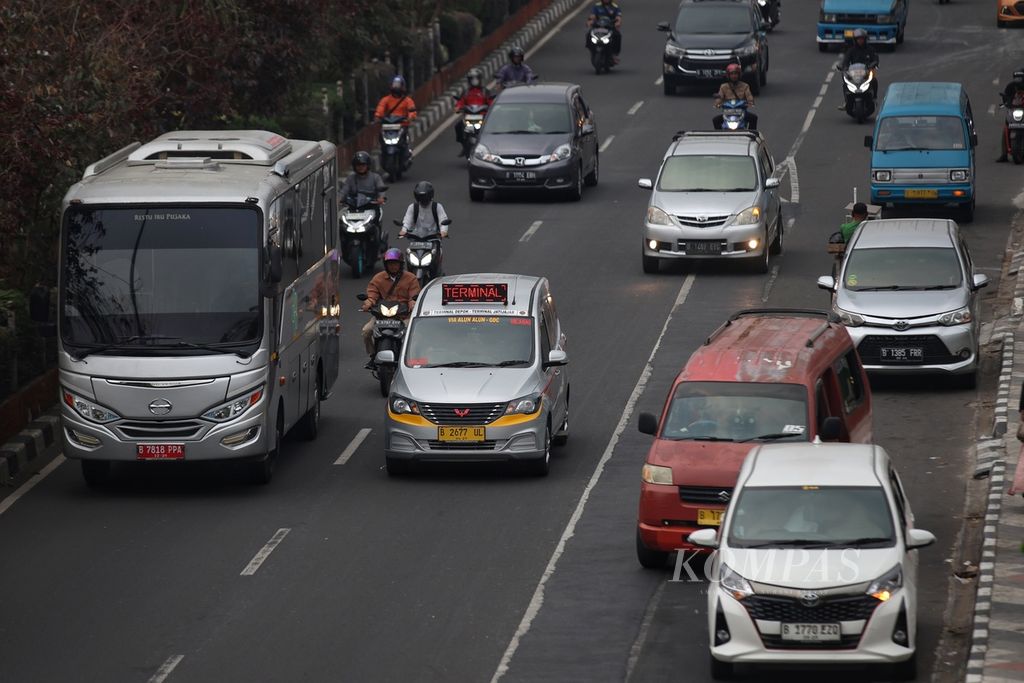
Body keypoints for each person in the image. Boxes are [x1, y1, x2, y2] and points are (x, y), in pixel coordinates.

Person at [360, 248, 420, 365]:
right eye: (390, 264)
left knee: (413, 334)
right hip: (382, 317)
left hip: (404, 316)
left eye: (395, 264)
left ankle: (409, 358)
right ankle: (373, 355)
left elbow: (414, 296)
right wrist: (368, 303)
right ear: (386, 265)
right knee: (366, 331)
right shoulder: (378, 278)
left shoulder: (411, 278)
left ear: (401, 265)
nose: (393, 266)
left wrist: (413, 303)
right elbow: (372, 294)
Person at [453, 68, 493, 153]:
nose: (474, 81)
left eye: (476, 79)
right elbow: (461, 101)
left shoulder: (485, 91)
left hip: (482, 116)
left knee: (493, 128)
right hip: (469, 116)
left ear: (480, 79)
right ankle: (464, 145)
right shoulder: (466, 92)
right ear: (469, 80)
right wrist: (458, 107)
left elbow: (490, 101)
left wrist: (492, 108)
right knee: (458, 126)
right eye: (472, 79)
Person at [838, 28, 879, 109]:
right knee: (845, 81)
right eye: (858, 39)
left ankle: (874, 98)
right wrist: (844, 67)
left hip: (866, 72)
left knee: (874, 80)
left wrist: (873, 64)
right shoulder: (851, 50)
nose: (860, 41)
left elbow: (875, 59)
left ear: (865, 39)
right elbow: (846, 61)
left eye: (862, 39)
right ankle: (846, 101)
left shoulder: (870, 49)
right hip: (854, 73)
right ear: (855, 40)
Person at [712, 63, 757, 130]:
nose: (734, 76)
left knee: (754, 118)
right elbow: (720, 97)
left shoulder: (745, 86)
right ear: (728, 75)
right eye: (732, 74)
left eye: (735, 74)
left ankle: (752, 137)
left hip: (741, 112)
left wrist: (750, 102)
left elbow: (749, 96)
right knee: (715, 120)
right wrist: (717, 103)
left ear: (739, 75)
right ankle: (719, 136)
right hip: (727, 112)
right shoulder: (723, 87)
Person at [998, 69, 1024, 162]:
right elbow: (1006, 97)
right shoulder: (1010, 86)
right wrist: (1005, 102)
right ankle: (1004, 154)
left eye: (1020, 78)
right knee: (1006, 127)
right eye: (1016, 78)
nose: (1018, 80)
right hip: (1015, 110)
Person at [585, 0, 622, 64]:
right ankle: (592, 49)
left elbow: (618, 17)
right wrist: (590, 21)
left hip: (610, 27)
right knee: (588, 34)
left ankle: (614, 54)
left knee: (617, 35)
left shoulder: (615, 7)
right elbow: (592, 16)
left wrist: (618, 23)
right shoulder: (597, 6)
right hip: (598, 27)